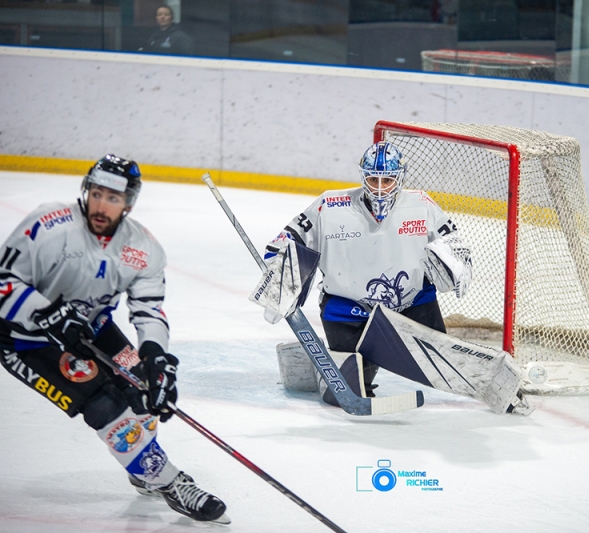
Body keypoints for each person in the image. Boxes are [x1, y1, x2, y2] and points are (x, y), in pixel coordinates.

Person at [0, 155, 228, 523]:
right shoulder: (48, 224)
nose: (101, 205)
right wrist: (46, 313)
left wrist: (155, 357)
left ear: (129, 202)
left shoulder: (143, 249)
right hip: (26, 338)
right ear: (86, 190)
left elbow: (149, 310)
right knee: (102, 404)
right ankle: (171, 482)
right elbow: (4, 283)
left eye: (113, 198)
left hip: (90, 328)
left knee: (144, 388)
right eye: (97, 193)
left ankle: (144, 470)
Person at [254, 141, 473, 406]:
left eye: (388, 181)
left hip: (411, 304)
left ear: (400, 178)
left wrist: (456, 266)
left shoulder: (421, 205)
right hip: (347, 309)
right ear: (363, 177)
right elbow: (286, 241)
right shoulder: (330, 206)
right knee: (345, 391)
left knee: (446, 364)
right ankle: (323, 364)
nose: (380, 188)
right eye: (373, 179)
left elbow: (454, 244)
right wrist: (280, 274)